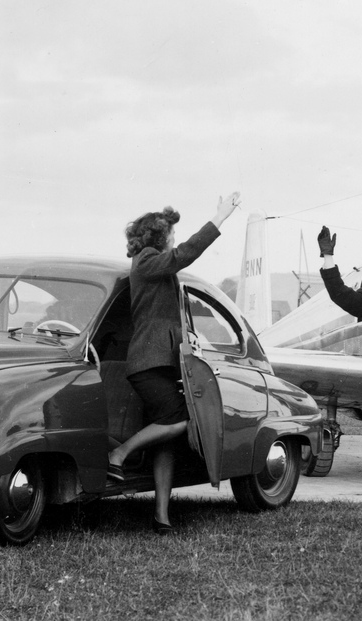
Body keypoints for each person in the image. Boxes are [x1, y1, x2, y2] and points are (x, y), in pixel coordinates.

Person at [108, 192, 241, 534]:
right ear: (160, 238)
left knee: (166, 441)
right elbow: (186, 254)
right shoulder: (148, 260)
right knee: (185, 420)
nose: (175, 242)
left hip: (162, 363)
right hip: (147, 364)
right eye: (171, 236)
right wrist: (220, 217)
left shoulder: (154, 266)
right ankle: (119, 454)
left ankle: (162, 516)